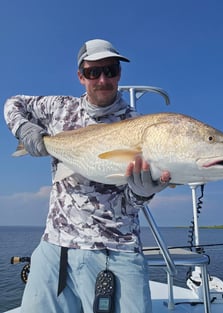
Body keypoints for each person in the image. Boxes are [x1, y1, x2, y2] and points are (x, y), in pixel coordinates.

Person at [4, 39, 171, 313]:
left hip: (116, 248)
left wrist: (142, 193)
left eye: (111, 70)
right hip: (55, 245)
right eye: (93, 72)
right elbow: (14, 103)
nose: (103, 79)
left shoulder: (136, 125)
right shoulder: (59, 108)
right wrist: (25, 130)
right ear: (81, 76)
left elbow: (130, 204)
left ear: (119, 73)